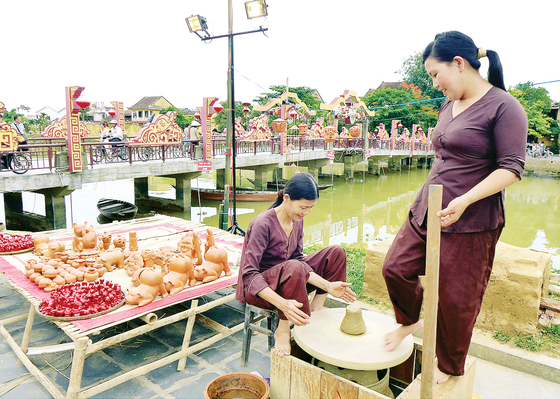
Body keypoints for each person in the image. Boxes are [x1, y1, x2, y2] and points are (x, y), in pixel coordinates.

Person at [382, 31, 527, 384]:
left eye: (435, 74)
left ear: (458, 64)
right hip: (428, 207)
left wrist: (464, 200)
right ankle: (409, 321)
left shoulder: (505, 107)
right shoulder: (449, 104)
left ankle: (448, 365)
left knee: (456, 297)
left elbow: (512, 169)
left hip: (473, 218)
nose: (434, 84)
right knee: (395, 268)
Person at [236, 172, 356, 356]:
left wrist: (328, 286)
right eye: (303, 207)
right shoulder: (262, 224)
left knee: (336, 252)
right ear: (286, 198)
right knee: (293, 267)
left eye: (310, 208)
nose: (306, 212)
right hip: (261, 290)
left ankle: (316, 308)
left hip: (292, 277)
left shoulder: (297, 220)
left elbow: (299, 259)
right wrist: (282, 304)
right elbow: (249, 275)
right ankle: (283, 329)